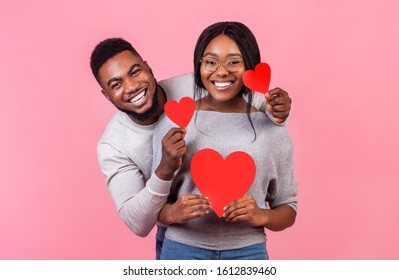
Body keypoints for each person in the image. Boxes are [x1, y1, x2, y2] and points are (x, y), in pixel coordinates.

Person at [89, 37, 293, 259]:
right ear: (106, 95)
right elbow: (138, 222)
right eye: (116, 84)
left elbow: (252, 106)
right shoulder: (113, 146)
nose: (131, 86)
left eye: (135, 72)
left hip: (243, 244)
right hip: (180, 238)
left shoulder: (197, 84)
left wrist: (278, 110)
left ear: (148, 66)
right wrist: (164, 171)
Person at [152, 21, 297, 260]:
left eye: (233, 62)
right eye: (210, 62)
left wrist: (263, 215)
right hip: (182, 250)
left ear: (250, 66)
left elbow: (288, 208)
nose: (221, 72)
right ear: (199, 65)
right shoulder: (172, 123)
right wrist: (170, 214)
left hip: (248, 253)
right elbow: (152, 206)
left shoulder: (272, 128)